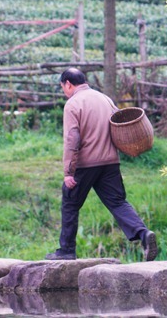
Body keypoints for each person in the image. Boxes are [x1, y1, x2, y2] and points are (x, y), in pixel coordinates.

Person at [45, 68, 158, 262]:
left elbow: (72, 139)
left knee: (70, 203)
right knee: (118, 202)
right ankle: (143, 234)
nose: (64, 90)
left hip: (85, 164)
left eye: (63, 87)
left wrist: (68, 172)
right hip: (110, 163)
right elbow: (118, 126)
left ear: (68, 84)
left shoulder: (73, 104)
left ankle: (66, 251)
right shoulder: (104, 99)